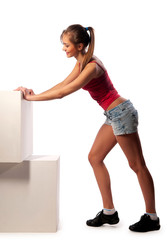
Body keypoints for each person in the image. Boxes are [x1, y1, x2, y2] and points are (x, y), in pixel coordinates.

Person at [15, 24, 160, 232]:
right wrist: (32, 94)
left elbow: (62, 94)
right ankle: (109, 213)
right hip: (114, 115)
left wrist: (31, 99)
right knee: (95, 157)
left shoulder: (91, 66)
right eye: (63, 45)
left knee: (137, 165)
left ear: (79, 45)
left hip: (122, 113)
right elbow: (61, 85)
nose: (63, 49)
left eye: (66, 45)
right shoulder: (82, 62)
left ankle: (151, 217)